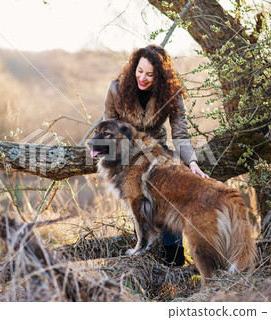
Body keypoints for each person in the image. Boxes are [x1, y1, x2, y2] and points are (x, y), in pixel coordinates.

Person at [102, 44, 208, 266]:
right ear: (134, 67)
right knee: (136, 197)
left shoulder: (172, 93)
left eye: (150, 74)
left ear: (160, 76)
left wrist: (192, 162)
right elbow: (107, 125)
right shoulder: (116, 88)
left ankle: (175, 257)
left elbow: (180, 133)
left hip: (156, 149)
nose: (142, 77)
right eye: (139, 71)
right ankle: (143, 248)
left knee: (168, 194)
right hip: (125, 154)